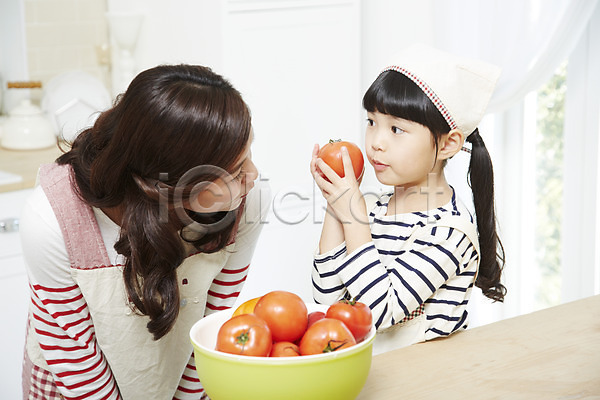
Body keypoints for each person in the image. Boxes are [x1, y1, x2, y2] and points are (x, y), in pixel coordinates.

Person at [20, 64, 269, 399]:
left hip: (177, 378)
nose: (254, 175)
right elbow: (76, 360)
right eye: (236, 171)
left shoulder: (248, 201)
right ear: (168, 187)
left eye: (249, 154)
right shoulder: (51, 218)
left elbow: (210, 330)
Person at [310, 44, 506, 354]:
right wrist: (337, 204)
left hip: (425, 377)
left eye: (397, 129)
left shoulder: (450, 232)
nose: (376, 142)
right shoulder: (370, 209)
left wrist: (352, 215)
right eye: (371, 122)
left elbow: (378, 314)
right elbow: (326, 302)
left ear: (448, 144)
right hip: (369, 373)